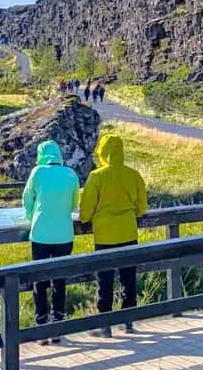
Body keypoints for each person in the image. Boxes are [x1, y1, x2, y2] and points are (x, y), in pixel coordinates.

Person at [79, 133, 148, 336]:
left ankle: (105, 325)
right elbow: (142, 207)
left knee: (105, 280)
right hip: (128, 232)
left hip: (105, 235)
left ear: (102, 151)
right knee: (129, 278)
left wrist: (86, 220)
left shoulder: (97, 176)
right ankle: (127, 322)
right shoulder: (133, 175)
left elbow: (86, 211)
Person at [21, 140, 80, 345]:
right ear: (58, 155)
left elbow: (27, 199)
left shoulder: (37, 173)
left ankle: (41, 324)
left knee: (40, 280)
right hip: (64, 234)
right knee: (59, 280)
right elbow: (74, 204)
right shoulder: (70, 174)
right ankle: (58, 325)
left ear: (41, 155)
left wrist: (32, 216)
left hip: (40, 235)